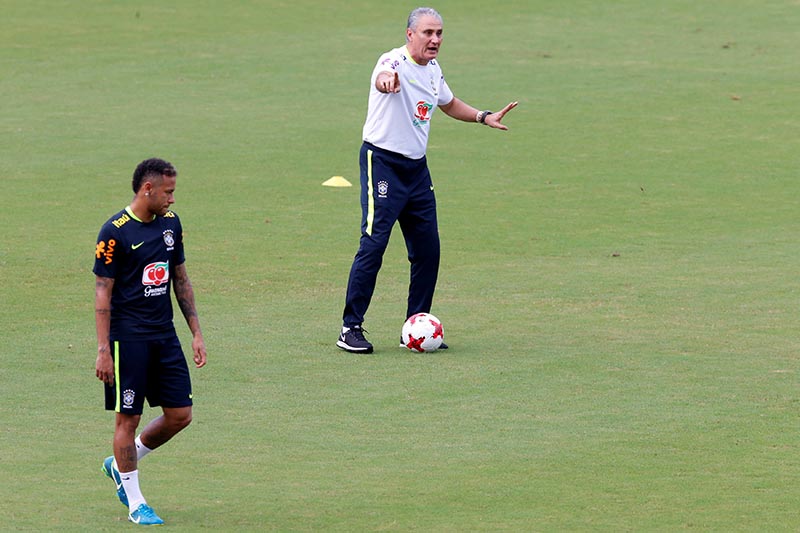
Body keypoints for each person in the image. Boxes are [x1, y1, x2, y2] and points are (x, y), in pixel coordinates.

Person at [337, 7, 518, 353]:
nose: (435, 39)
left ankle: (415, 327)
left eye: (439, 33)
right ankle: (350, 327)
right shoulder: (391, 62)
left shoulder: (433, 70)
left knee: (428, 250)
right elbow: (383, 78)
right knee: (374, 243)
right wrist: (386, 82)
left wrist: (483, 116)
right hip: (384, 163)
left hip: (417, 170)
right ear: (410, 34)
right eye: (427, 33)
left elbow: (448, 104)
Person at [94, 158, 207, 526]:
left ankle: (124, 462)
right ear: (147, 189)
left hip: (164, 336)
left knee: (180, 415)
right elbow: (102, 293)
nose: (172, 199)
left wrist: (196, 333)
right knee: (128, 419)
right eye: (168, 192)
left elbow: (180, 279)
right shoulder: (115, 232)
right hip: (128, 341)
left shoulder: (171, 225)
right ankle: (135, 501)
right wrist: (103, 350)